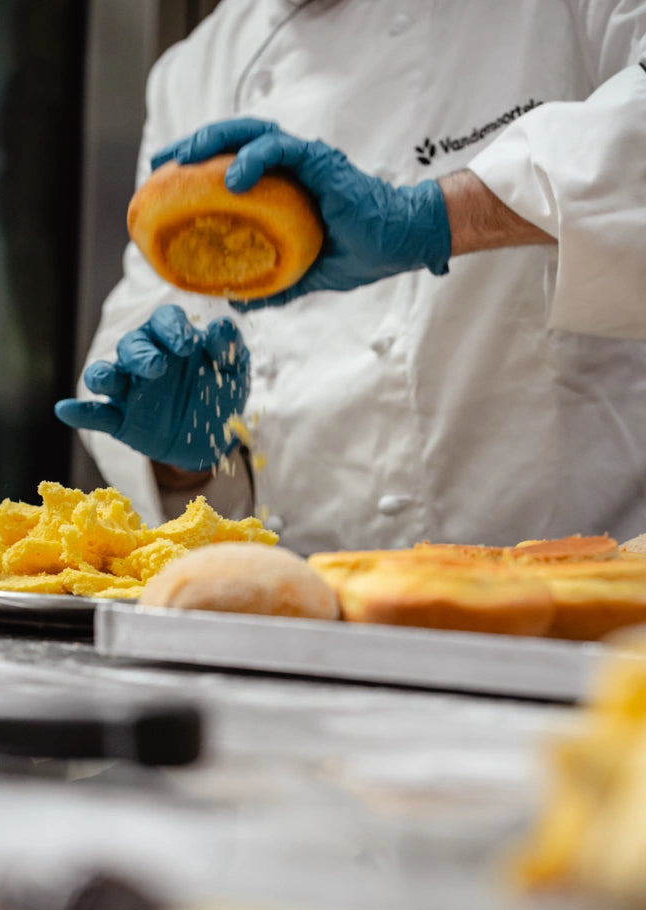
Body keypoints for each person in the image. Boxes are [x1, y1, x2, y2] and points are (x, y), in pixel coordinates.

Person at [56, 0, 646, 555]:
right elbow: (147, 318)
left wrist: (434, 219)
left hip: (577, 610)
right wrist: (188, 460)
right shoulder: (198, 68)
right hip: (301, 610)